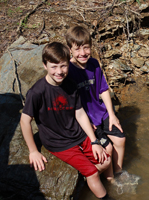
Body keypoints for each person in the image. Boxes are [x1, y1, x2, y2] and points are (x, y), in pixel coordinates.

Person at [20, 42, 113, 199]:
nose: (59, 71)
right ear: (45, 65)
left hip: (77, 134)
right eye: (54, 67)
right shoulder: (37, 92)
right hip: (58, 142)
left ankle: (88, 181)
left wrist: (94, 141)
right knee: (92, 172)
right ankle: (100, 190)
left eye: (63, 66)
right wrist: (33, 151)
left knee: (105, 160)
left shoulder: (70, 84)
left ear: (68, 64)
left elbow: (80, 114)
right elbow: (24, 121)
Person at [65, 26, 126, 175]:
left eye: (86, 48)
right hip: (86, 118)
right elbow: (71, 105)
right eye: (77, 49)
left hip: (100, 112)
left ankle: (119, 172)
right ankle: (111, 179)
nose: (82, 53)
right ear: (69, 50)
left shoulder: (93, 64)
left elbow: (103, 89)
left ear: (91, 47)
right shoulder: (68, 71)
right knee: (108, 149)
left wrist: (111, 114)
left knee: (120, 140)